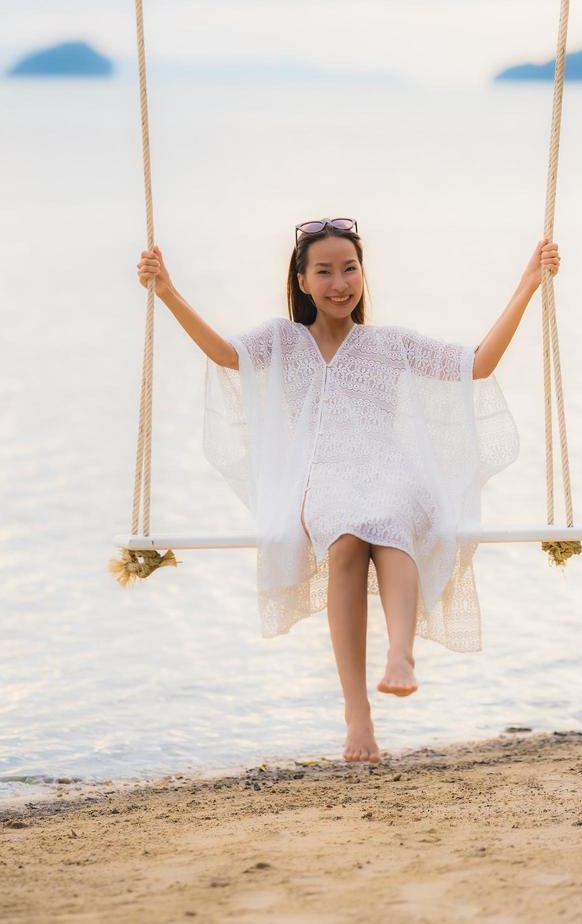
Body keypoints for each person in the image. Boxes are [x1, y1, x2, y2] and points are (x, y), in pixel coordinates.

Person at [137, 218, 560, 764]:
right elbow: (224, 355)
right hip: (322, 475)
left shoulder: (390, 344)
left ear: (363, 274)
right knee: (345, 540)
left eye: (350, 269)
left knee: (388, 518)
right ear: (303, 280)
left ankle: (401, 657)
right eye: (325, 271)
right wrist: (167, 291)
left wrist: (528, 283)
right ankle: (357, 712)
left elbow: (477, 365)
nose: (340, 283)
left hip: (391, 470)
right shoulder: (281, 341)